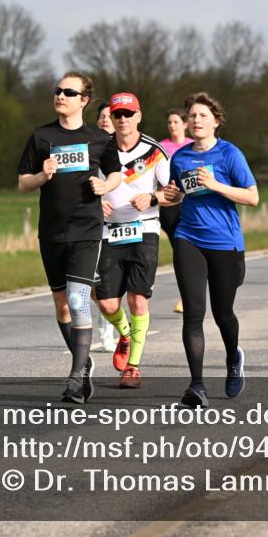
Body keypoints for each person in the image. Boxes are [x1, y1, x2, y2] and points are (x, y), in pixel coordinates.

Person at [18, 71, 123, 404]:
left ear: (84, 100)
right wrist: (42, 175)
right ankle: (84, 360)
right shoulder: (41, 136)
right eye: (57, 90)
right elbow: (23, 182)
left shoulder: (99, 139)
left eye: (68, 92)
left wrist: (105, 185)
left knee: (78, 301)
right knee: (62, 306)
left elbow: (116, 172)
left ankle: (76, 378)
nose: (60, 95)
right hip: (51, 232)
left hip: (86, 231)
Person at [163, 93, 258, 409]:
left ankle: (233, 356)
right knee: (193, 314)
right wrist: (168, 196)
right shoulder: (180, 159)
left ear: (216, 121)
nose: (196, 120)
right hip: (188, 238)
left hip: (225, 243)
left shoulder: (230, 154)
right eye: (192, 116)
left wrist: (216, 185)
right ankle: (197, 385)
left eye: (203, 115)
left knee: (223, 313)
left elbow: (252, 197)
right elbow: (179, 196)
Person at [95, 93, 171, 388]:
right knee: (107, 304)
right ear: (111, 118)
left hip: (145, 229)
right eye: (118, 114)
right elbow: (85, 187)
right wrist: (94, 204)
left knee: (137, 299)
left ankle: (133, 367)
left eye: (128, 114)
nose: (123, 119)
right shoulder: (100, 149)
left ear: (138, 116)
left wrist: (152, 196)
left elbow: (174, 193)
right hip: (107, 231)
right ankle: (125, 334)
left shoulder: (155, 152)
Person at [159, 108, 193, 315]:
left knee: (186, 250)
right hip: (169, 204)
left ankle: (186, 297)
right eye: (169, 122)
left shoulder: (192, 145)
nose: (172, 125)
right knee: (179, 251)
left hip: (188, 203)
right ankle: (188, 293)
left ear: (185, 124)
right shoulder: (162, 147)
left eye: (176, 122)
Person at [94, 103, 118, 352]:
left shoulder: (126, 148)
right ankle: (109, 320)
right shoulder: (90, 145)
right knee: (98, 285)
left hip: (124, 222)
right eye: (101, 116)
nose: (104, 120)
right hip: (94, 222)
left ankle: (109, 331)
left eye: (109, 116)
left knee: (114, 282)